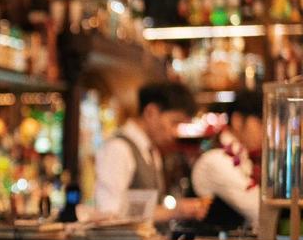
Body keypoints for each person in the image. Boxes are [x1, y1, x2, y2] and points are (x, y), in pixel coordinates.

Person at [94, 81, 207, 221]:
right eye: (174, 122)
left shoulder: (151, 151)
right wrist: (174, 211)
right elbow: (109, 212)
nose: (174, 132)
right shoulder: (118, 148)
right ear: (151, 112)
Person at [191, 91, 263, 229]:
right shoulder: (216, 159)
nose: (268, 131)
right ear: (238, 120)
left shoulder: (243, 156)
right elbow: (258, 210)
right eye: (261, 122)